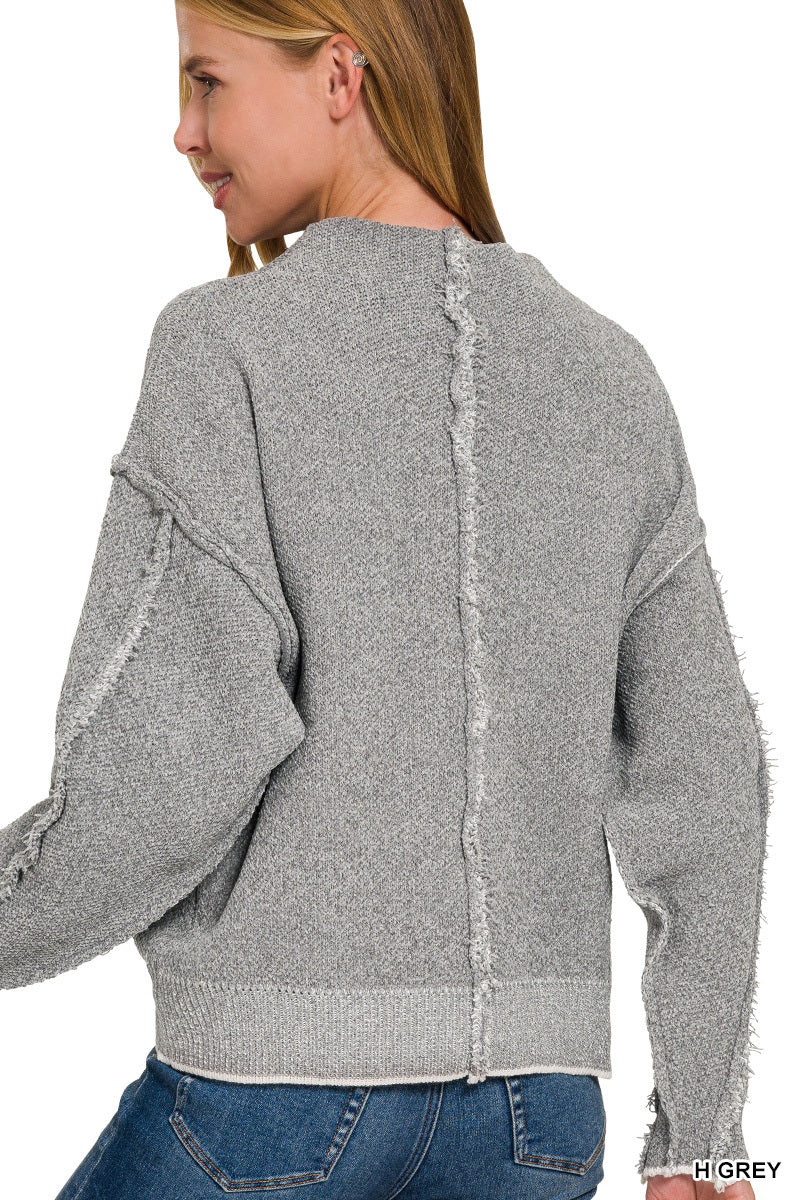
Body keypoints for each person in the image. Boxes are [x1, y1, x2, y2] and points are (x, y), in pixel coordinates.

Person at [0, 2, 773, 1198]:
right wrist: (703, 1139)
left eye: (207, 81)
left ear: (339, 77)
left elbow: (163, 771)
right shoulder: (610, 374)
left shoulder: (226, 347)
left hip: (267, 1108)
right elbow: (708, 778)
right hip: (536, 1124)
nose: (182, 132)